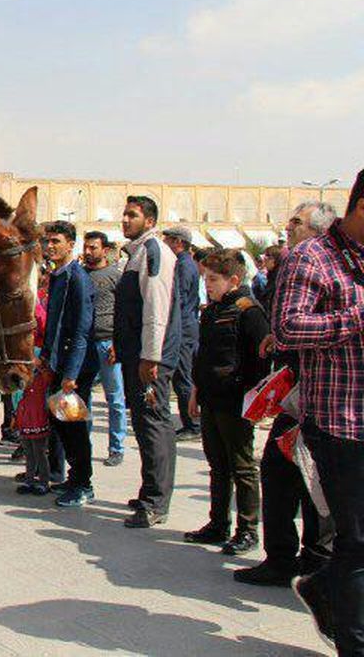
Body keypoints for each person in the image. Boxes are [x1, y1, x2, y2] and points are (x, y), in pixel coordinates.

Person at [273, 169, 364, 652]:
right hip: (342, 422)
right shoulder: (313, 258)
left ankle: (323, 586)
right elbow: (287, 328)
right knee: (359, 542)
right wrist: (356, 316)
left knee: (355, 542)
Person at [236, 200, 338, 587]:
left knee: (316, 480)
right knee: (279, 472)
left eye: (296, 222)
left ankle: (317, 561)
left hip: (323, 393)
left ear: (318, 231)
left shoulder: (330, 270)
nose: (288, 226)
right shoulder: (289, 266)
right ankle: (281, 558)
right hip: (293, 390)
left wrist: (289, 335)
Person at [184, 249, 268, 555]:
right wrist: (196, 390)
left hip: (236, 401)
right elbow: (203, 356)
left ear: (234, 279)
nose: (208, 284)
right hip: (211, 397)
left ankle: (247, 529)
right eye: (206, 278)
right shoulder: (212, 311)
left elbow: (260, 361)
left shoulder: (249, 311)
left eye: (214, 279)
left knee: (242, 467)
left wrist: (252, 400)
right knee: (217, 466)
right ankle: (217, 524)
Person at [114, 196, 184, 528]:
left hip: (149, 358)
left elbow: (157, 307)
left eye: (133, 215)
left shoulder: (154, 252)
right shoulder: (137, 253)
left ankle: (156, 502)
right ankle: (150, 491)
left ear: (151, 221)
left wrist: (150, 356)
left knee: (153, 423)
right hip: (135, 353)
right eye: (125, 214)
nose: (125, 220)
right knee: (147, 424)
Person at [38, 221, 97, 508]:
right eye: (47, 242)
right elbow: (55, 324)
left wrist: (71, 373)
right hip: (59, 361)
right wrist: (46, 355)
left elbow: (82, 330)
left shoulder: (78, 278)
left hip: (76, 366)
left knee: (73, 426)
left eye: (56, 242)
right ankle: (74, 477)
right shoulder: (58, 275)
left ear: (70, 244)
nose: (50, 247)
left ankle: (83, 483)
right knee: (59, 422)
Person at [79, 231, 127, 466]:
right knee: (82, 396)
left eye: (93, 248)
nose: (88, 252)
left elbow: (124, 313)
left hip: (108, 343)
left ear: (105, 250)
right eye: (86, 247)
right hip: (85, 344)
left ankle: (116, 447)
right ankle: (83, 444)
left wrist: (118, 343)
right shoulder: (79, 275)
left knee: (115, 398)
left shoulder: (115, 276)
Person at [162, 226, 202, 440]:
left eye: (168, 239)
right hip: (184, 326)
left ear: (178, 242)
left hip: (184, 329)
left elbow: (180, 299)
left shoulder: (185, 266)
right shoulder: (183, 264)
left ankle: (192, 425)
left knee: (183, 378)